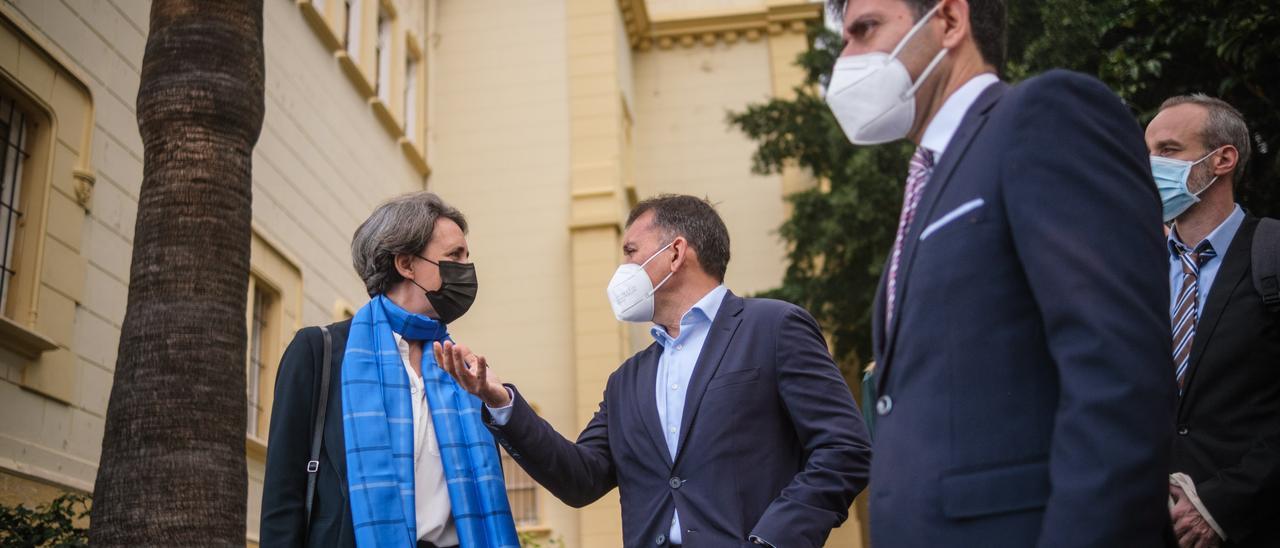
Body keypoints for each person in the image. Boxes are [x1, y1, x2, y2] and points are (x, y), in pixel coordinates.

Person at [825, 0, 1175, 545]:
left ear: (948, 21)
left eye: (864, 29)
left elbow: (1117, 370)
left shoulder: (1045, 114)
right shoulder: (932, 179)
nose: (846, 58)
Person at [435, 194, 872, 547]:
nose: (622, 269)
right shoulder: (626, 380)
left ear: (676, 252)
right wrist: (501, 401)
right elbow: (580, 479)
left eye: (630, 252)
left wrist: (772, 540)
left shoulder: (774, 327)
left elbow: (843, 450)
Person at [260, 192, 519, 548]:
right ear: (406, 264)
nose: (466, 269)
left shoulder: (461, 369)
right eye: (453, 256)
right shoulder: (319, 353)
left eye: (466, 257)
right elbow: (282, 497)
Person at [1147, 94, 1280, 548]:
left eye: (1166, 151)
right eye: (1145, 153)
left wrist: (1221, 504)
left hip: (1247, 526)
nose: (1150, 165)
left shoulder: (1273, 254)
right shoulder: (1134, 267)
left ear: (1222, 159)